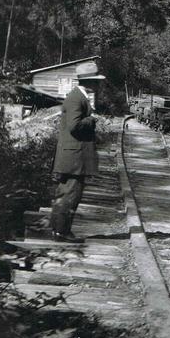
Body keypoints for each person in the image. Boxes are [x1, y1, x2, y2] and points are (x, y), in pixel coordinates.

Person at [50, 62, 105, 243]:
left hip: (73, 155)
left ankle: (60, 230)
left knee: (68, 193)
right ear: (88, 81)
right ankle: (61, 232)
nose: (98, 85)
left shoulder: (78, 96)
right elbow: (74, 126)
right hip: (73, 157)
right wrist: (92, 120)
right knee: (70, 194)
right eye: (96, 81)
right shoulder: (76, 98)